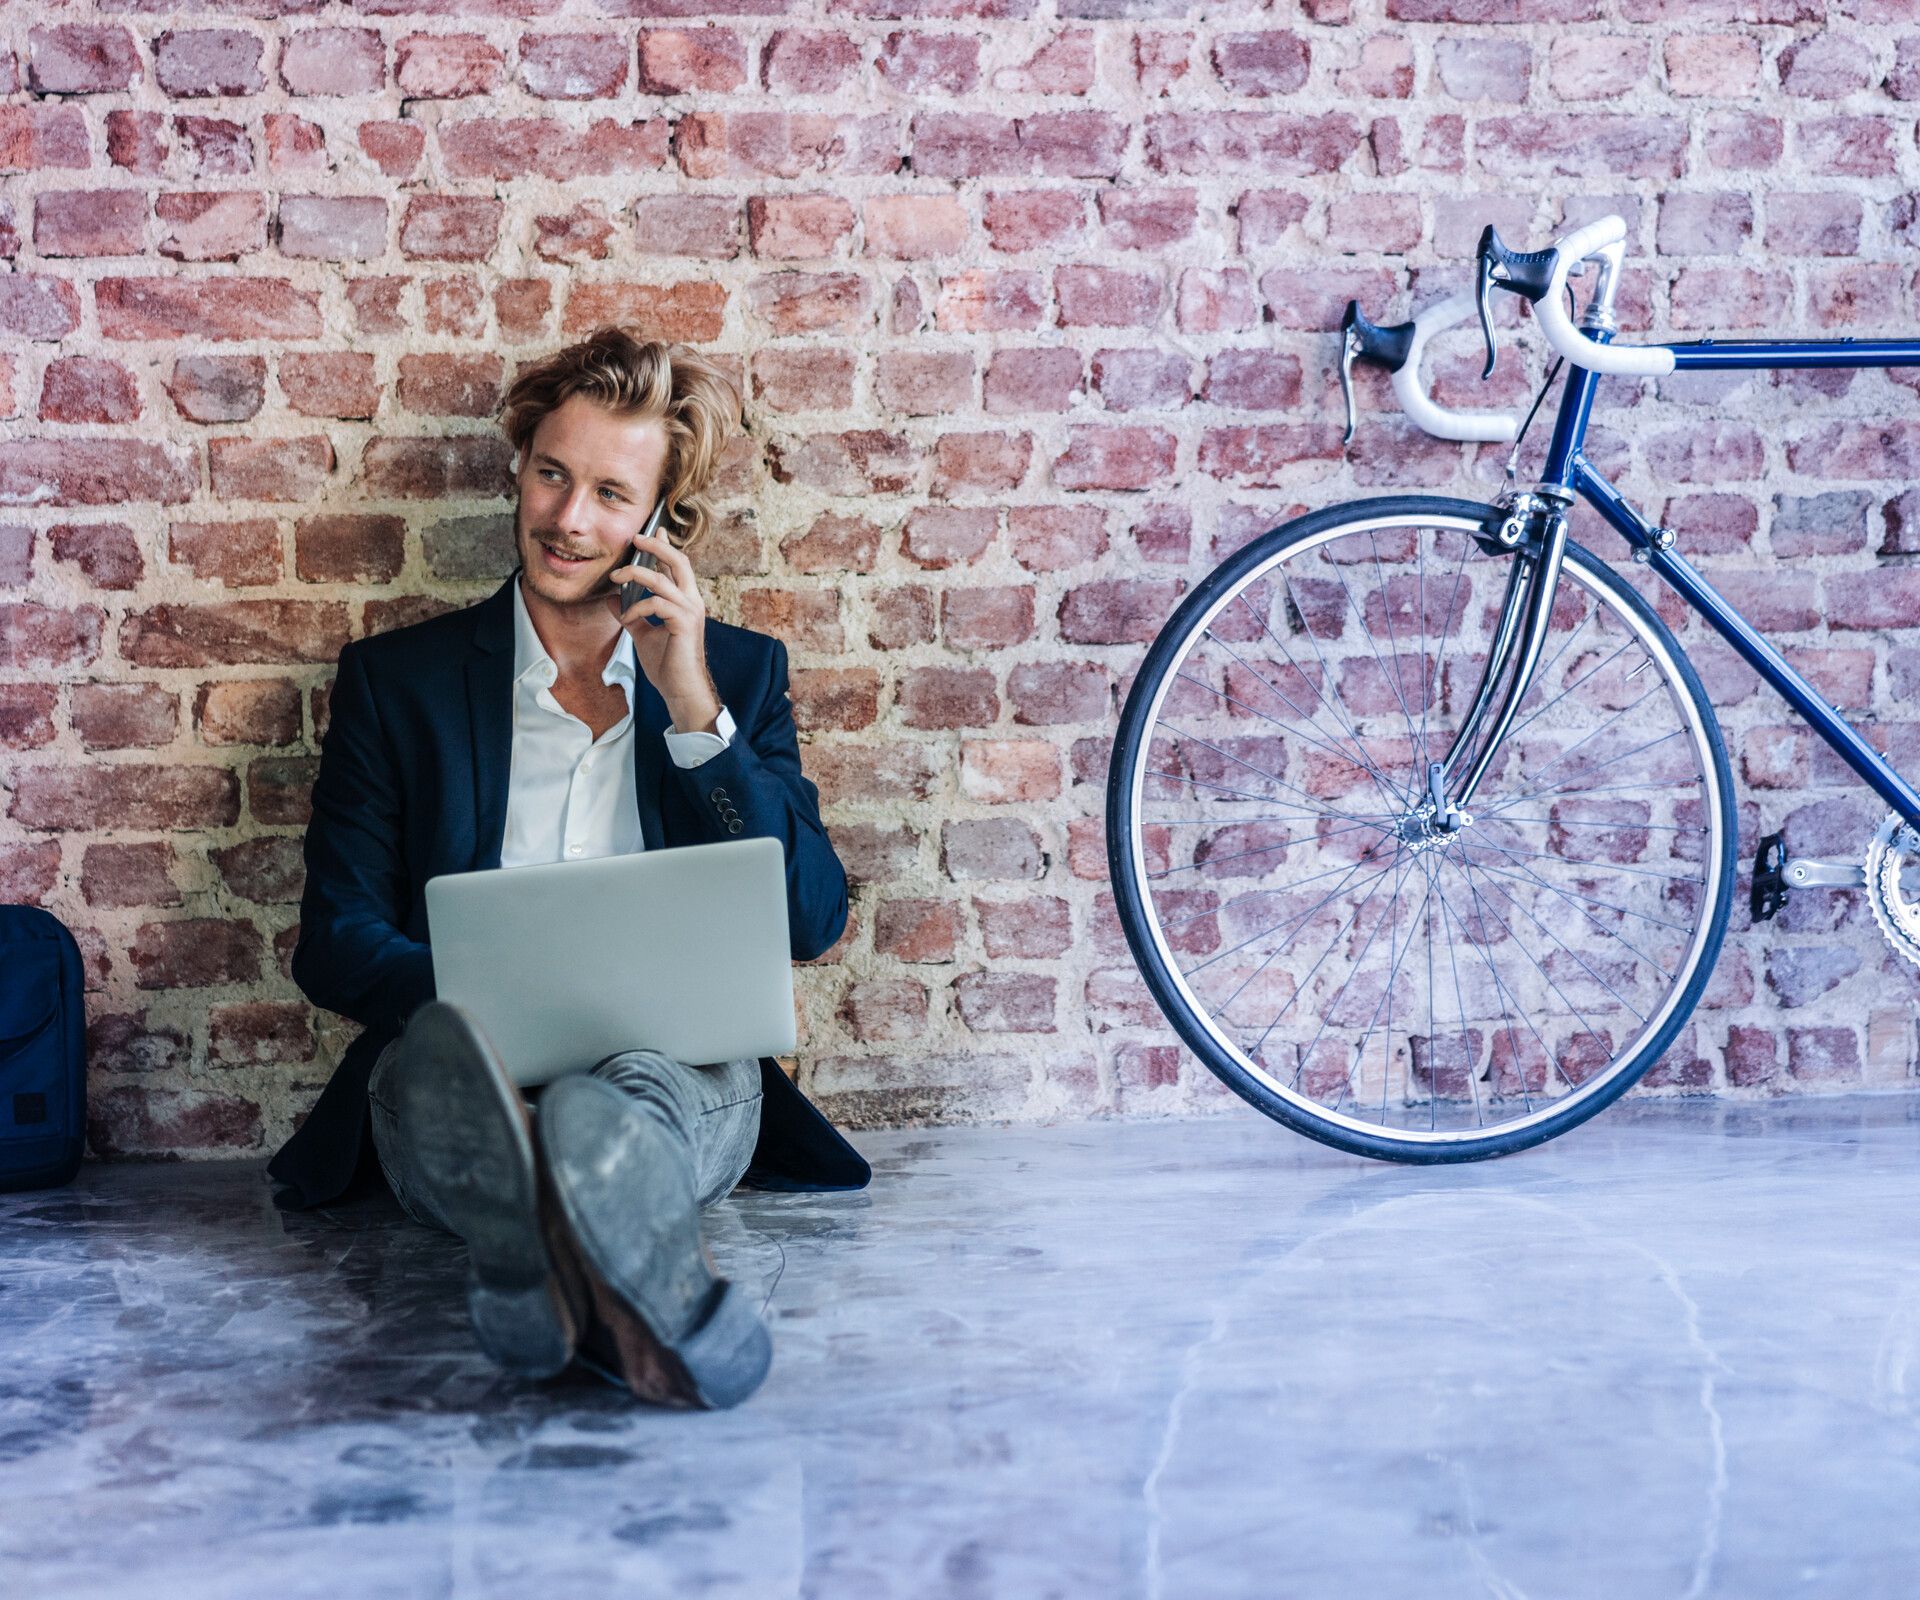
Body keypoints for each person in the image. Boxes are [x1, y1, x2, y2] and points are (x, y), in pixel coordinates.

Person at [266, 328, 869, 1409]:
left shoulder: (737, 676)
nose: (568, 518)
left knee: (634, 1099)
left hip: (680, 1076)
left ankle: (541, 1255)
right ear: (518, 466)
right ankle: (638, 1302)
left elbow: (811, 919)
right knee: (460, 1088)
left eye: (607, 491)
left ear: (658, 522)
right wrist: (491, 1008)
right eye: (552, 473)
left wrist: (693, 709)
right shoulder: (395, 683)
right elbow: (336, 940)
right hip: (463, 1078)